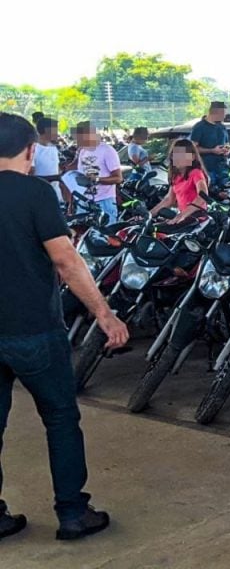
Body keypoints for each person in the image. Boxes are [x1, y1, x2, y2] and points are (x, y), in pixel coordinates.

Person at [0, 113, 129, 542]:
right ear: (31, 151)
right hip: (35, 329)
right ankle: (73, 513)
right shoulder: (36, 192)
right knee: (59, 418)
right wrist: (104, 313)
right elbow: (65, 259)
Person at [72, 121, 122, 223]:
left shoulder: (107, 150)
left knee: (105, 237)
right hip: (84, 201)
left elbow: (118, 178)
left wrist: (97, 179)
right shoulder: (82, 151)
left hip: (104, 202)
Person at [148, 140, 209, 223]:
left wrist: (181, 216)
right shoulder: (175, 176)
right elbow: (169, 200)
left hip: (197, 218)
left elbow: (202, 196)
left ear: (193, 157)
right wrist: (148, 215)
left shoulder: (196, 173)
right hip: (184, 217)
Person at [190, 101, 230, 190]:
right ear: (214, 112)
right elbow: (192, 149)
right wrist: (212, 150)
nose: (225, 116)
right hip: (206, 168)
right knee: (211, 194)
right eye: (223, 113)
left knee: (227, 193)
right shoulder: (199, 127)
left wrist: (227, 150)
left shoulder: (222, 127)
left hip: (222, 168)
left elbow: (227, 144)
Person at [31, 117, 62, 202]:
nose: (57, 133)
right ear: (47, 131)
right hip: (40, 196)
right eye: (55, 130)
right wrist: (54, 178)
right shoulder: (33, 149)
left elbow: (57, 169)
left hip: (56, 195)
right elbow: (31, 177)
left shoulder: (53, 147)